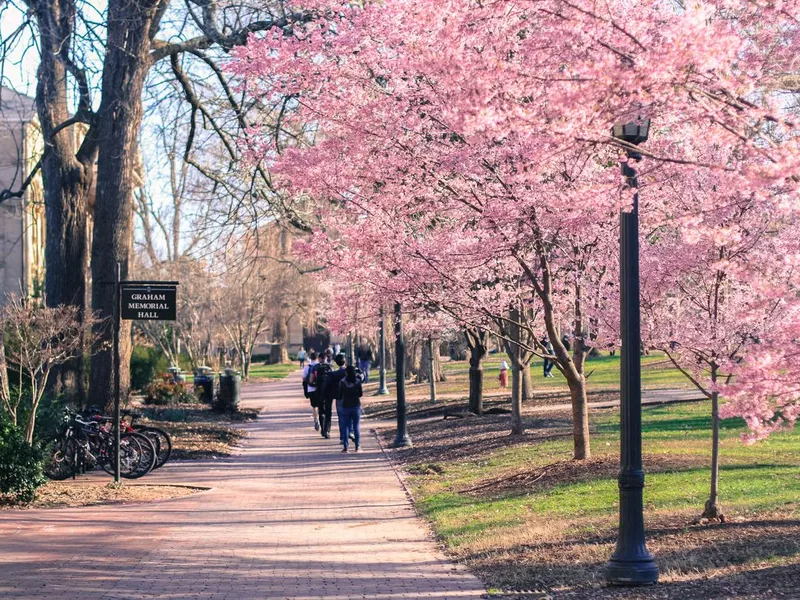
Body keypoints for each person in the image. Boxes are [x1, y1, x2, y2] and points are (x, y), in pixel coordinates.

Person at [319, 353, 347, 439]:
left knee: (328, 412)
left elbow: (325, 385)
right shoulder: (347, 372)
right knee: (342, 414)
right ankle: (343, 434)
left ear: (336, 362)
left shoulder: (332, 374)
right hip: (343, 394)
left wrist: (322, 396)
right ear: (345, 361)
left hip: (329, 394)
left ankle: (326, 430)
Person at [338, 365, 363, 453]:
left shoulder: (342, 382)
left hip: (345, 406)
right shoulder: (357, 382)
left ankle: (345, 447)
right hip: (356, 405)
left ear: (346, 372)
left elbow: (340, 395)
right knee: (356, 427)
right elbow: (360, 394)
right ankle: (357, 446)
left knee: (345, 427)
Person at [302, 350, 321, 430]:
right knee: (320, 404)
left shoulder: (307, 367)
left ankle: (316, 419)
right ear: (318, 358)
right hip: (320, 388)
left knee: (314, 405)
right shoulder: (320, 366)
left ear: (310, 358)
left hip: (311, 389)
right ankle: (321, 417)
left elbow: (303, 378)